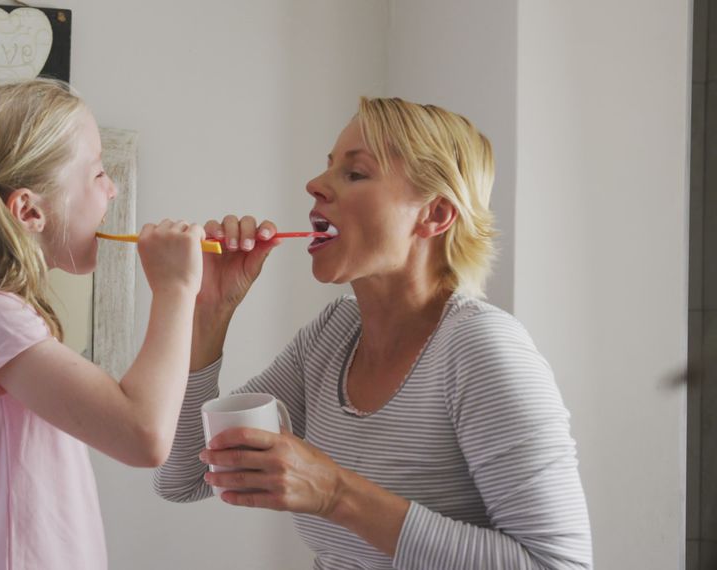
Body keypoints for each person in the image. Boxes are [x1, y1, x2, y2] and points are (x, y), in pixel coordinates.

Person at [154, 97, 593, 569]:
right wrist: (209, 312)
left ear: (435, 215)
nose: (314, 185)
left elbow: (558, 564)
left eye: (355, 173)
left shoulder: (481, 350)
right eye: (328, 168)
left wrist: (335, 493)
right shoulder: (333, 335)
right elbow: (184, 477)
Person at [0, 79, 204, 569]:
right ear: (29, 210)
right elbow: (143, 434)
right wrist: (176, 291)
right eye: (98, 174)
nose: (113, 188)